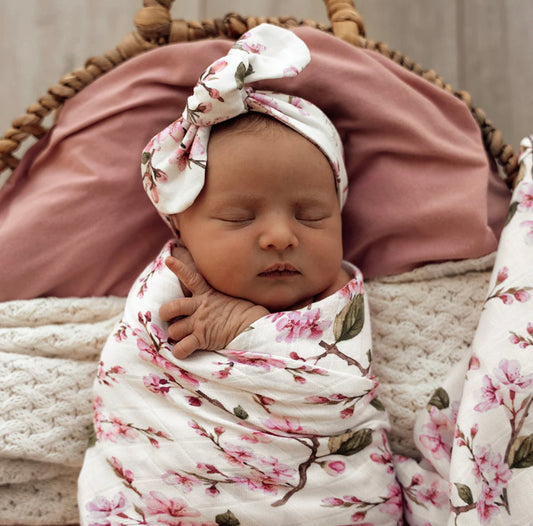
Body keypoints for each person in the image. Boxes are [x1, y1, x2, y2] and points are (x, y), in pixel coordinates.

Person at [77, 24, 401, 525]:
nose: (279, 236)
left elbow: (337, 383)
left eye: (311, 215)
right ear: (181, 227)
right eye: (239, 218)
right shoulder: (169, 284)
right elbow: (131, 382)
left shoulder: (336, 292)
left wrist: (249, 329)